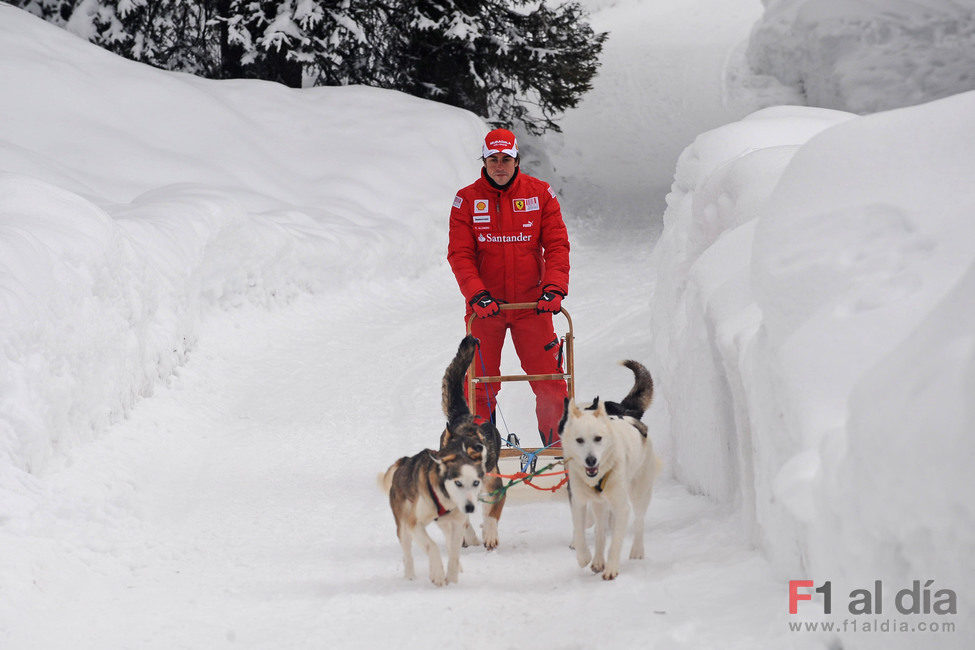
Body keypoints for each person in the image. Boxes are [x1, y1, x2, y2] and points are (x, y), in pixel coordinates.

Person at [447, 128, 570, 447]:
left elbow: (557, 245)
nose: (499, 166)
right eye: (493, 160)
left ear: (516, 160)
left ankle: (557, 450)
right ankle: (479, 451)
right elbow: (460, 254)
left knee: (550, 381)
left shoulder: (540, 193)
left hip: (533, 306)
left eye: (506, 159)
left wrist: (553, 288)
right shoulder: (466, 200)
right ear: (484, 162)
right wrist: (476, 294)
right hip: (485, 309)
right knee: (479, 383)